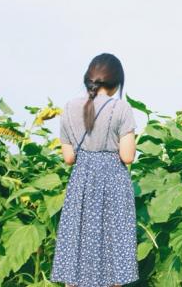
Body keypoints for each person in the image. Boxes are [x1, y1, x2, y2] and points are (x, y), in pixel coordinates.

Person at [49, 53, 140, 287]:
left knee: (77, 248)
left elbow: (69, 158)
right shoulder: (121, 108)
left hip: (81, 185)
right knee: (113, 252)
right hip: (113, 187)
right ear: (117, 82)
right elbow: (127, 156)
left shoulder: (69, 108)